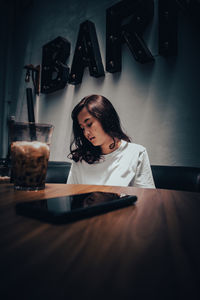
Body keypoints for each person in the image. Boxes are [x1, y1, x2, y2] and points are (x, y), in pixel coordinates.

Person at [67, 94, 155, 188]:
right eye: (82, 128)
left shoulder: (137, 153)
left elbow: (147, 198)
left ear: (105, 118)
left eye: (89, 124)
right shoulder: (80, 159)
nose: (86, 133)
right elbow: (69, 197)